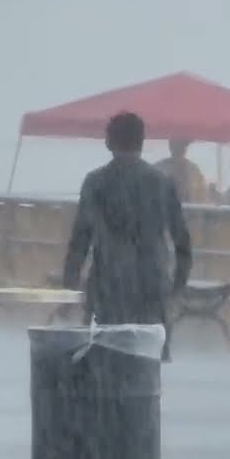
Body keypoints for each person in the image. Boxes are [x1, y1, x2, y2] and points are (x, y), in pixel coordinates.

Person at [62, 112, 192, 362]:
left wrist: (70, 285)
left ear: (108, 142)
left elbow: (80, 239)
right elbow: (182, 242)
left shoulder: (96, 182)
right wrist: (177, 287)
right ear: (142, 142)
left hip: (109, 286)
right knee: (147, 365)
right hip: (151, 286)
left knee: (106, 359)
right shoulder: (161, 183)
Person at [154, 139, 211, 204]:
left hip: (188, 211)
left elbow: (202, 199)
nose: (181, 148)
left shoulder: (194, 170)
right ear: (170, 146)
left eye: (184, 145)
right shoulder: (159, 168)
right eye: (178, 145)